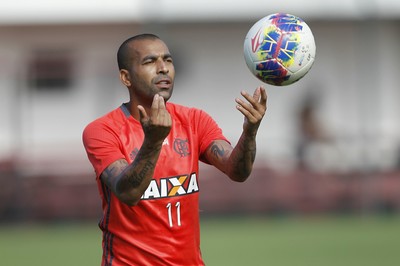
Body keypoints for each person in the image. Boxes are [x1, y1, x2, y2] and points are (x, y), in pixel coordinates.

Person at [82, 33, 267, 266]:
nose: (163, 69)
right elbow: (128, 192)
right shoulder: (102, 130)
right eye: (150, 62)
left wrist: (250, 132)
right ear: (125, 77)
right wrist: (154, 142)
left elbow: (237, 171)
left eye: (168, 60)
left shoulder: (195, 120)